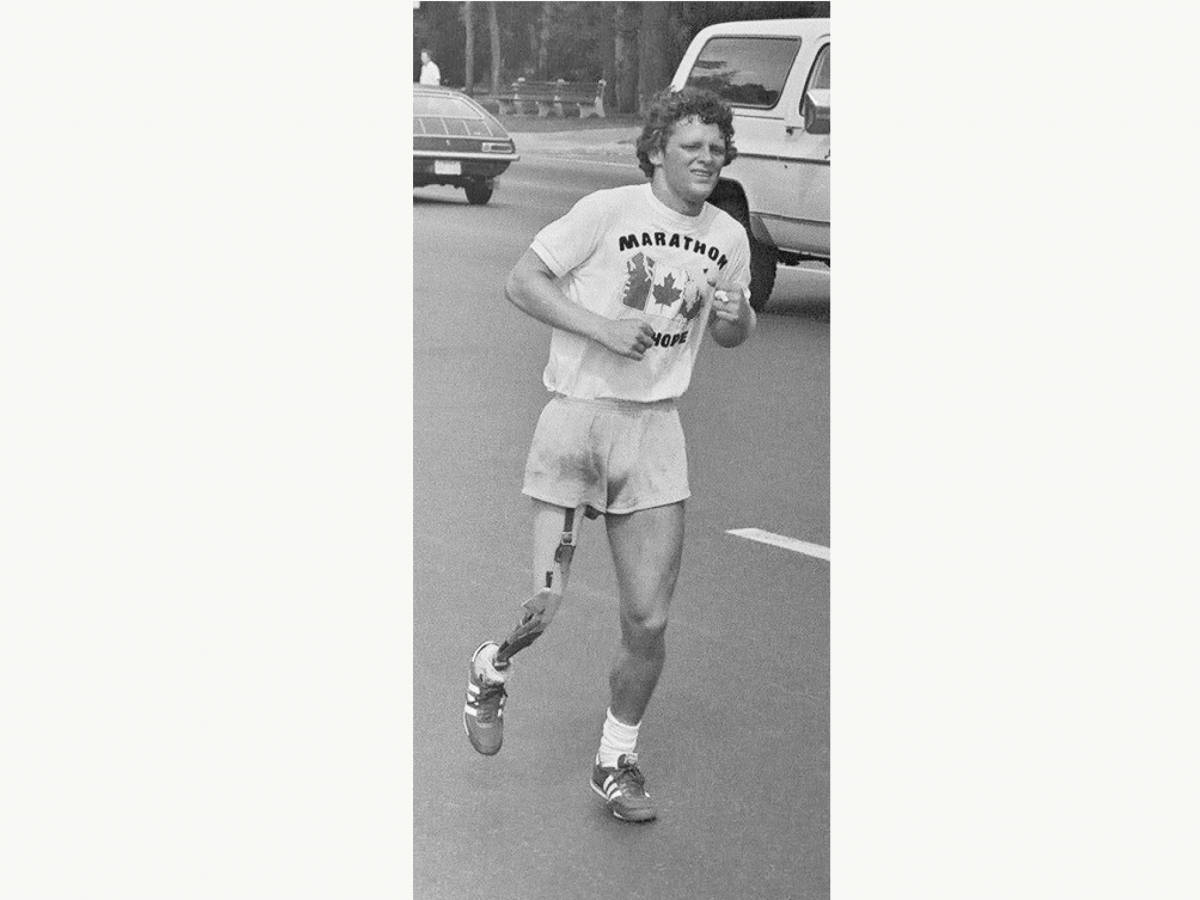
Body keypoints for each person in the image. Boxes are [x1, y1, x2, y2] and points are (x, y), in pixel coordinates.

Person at [462, 87, 756, 824]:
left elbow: (731, 335)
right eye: (691, 147)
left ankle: (614, 761)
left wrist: (738, 314)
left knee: (649, 621)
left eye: (717, 149)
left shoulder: (728, 235)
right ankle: (492, 665)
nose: (707, 159)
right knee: (545, 607)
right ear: (656, 151)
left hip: (655, 432)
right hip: (577, 421)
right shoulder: (605, 211)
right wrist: (599, 326)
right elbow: (522, 281)